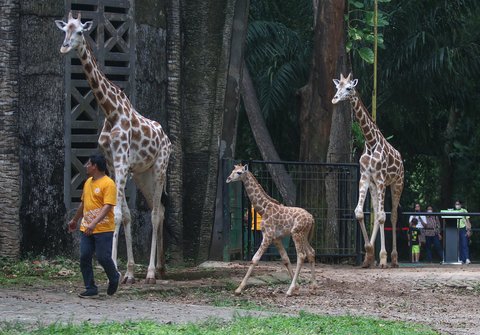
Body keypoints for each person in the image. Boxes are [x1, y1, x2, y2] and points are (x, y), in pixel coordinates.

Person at [68, 153, 120, 298]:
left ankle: (114, 277)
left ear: (95, 166)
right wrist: (74, 220)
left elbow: (107, 206)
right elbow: (83, 204)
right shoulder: (88, 182)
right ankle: (90, 288)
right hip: (86, 228)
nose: (86, 166)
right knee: (85, 256)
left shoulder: (108, 183)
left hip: (103, 229)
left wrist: (94, 223)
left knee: (103, 257)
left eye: (88, 164)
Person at [454, 200, 472, 264]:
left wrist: (469, 230)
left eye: (458, 204)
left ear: (461, 205)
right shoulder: (454, 211)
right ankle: (461, 259)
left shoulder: (464, 211)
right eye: (456, 204)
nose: (457, 205)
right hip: (456, 229)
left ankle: (467, 258)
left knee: (464, 244)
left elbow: (468, 221)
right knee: (459, 245)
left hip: (464, 228)